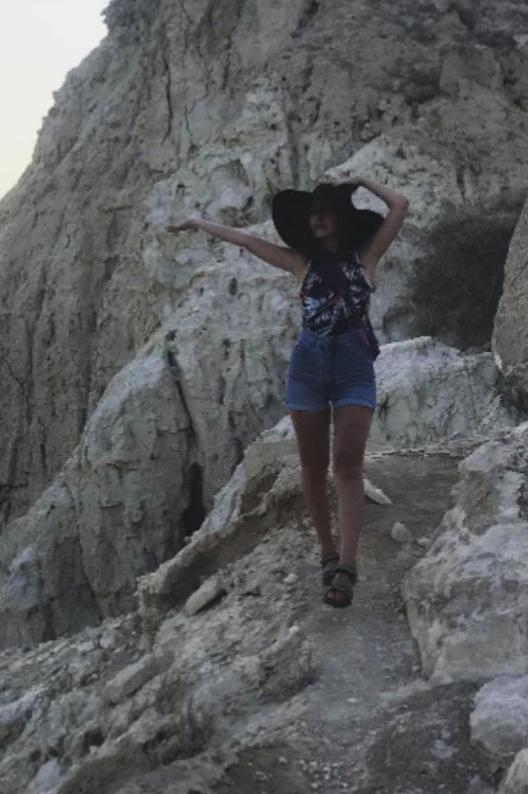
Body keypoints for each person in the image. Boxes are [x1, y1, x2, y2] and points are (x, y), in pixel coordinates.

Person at [165, 174, 409, 608]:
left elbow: (400, 205)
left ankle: (348, 566)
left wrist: (360, 180)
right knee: (312, 467)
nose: (317, 218)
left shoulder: (366, 258)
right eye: (312, 212)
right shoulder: (301, 263)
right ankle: (327, 554)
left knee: (347, 462)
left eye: (325, 211)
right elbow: (244, 240)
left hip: (353, 369)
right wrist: (198, 222)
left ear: (341, 217)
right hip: (308, 368)